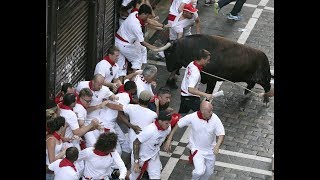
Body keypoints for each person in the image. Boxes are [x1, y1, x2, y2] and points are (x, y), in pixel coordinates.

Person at [164, 101, 225, 180]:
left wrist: (217, 146)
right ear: (202, 111)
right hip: (197, 149)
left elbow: (221, 134)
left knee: (209, 173)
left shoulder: (215, 118)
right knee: (199, 171)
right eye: (209, 111)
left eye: (212, 110)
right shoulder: (192, 117)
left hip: (210, 151)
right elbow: (178, 124)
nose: (211, 113)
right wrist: (169, 139)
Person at [115, 4, 161, 74]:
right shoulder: (136, 25)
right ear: (143, 14)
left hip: (122, 41)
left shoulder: (135, 13)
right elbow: (142, 41)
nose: (148, 18)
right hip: (124, 44)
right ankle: (136, 78)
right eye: (147, 15)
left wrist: (161, 25)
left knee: (143, 49)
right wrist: (153, 47)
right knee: (137, 60)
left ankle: (142, 71)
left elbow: (148, 21)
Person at [130, 110, 172, 179]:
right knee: (133, 178)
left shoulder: (168, 128)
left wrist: (167, 141)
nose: (168, 125)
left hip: (153, 157)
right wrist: (136, 162)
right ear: (160, 121)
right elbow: (136, 143)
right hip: (140, 158)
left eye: (169, 123)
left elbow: (166, 134)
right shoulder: (150, 130)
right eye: (166, 123)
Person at [179, 49, 213, 114]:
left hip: (184, 95)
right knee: (203, 114)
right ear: (202, 59)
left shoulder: (192, 63)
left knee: (181, 115)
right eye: (207, 60)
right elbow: (190, 89)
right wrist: (206, 94)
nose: (208, 62)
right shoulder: (195, 73)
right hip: (191, 97)